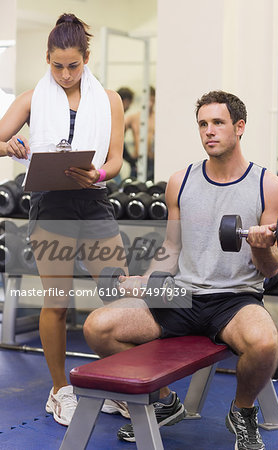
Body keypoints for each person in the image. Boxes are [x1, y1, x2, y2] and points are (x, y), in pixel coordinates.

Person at [83, 90, 278, 449]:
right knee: (97, 327)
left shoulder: (270, 187)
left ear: (239, 127)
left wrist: (260, 248)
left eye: (218, 123)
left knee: (265, 342)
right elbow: (172, 247)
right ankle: (165, 403)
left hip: (235, 299)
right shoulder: (180, 182)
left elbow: (271, 269)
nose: (209, 131)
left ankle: (242, 411)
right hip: (181, 294)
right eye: (203, 124)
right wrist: (146, 281)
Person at [0, 13, 127, 426]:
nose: (65, 74)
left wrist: (99, 174)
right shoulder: (31, 99)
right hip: (50, 206)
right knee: (56, 303)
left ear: (86, 58)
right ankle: (60, 391)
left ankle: (123, 386)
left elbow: (116, 161)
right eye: (57, 65)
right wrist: (11, 147)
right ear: (48, 59)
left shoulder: (109, 100)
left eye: (73, 65)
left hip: (93, 204)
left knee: (122, 299)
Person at [125, 86, 155, 180]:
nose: (149, 103)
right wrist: (128, 157)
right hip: (137, 160)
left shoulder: (157, 118)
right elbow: (117, 133)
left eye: (152, 100)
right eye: (147, 100)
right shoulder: (133, 118)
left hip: (152, 161)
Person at [116, 87, 137, 179]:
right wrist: (131, 161)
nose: (130, 106)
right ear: (125, 101)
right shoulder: (115, 116)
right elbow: (118, 142)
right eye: (130, 102)